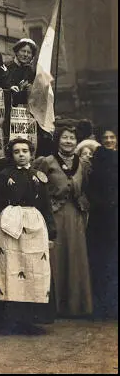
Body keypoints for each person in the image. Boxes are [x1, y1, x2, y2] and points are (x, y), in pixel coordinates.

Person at [0, 138, 56, 335]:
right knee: (11, 268)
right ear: (11, 155)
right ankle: (10, 320)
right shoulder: (3, 176)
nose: (21, 154)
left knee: (33, 268)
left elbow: (46, 205)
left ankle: (30, 319)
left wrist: (51, 233)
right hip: (10, 224)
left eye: (25, 151)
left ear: (31, 153)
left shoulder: (39, 176)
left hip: (34, 224)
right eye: (17, 151)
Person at [33, 125, 93, 318]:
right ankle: (54, 306)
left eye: (72, 138)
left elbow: (87, 188)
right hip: (54, 215)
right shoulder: (47, 162)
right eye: (65, 138)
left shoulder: (83, 164)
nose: (68, 141)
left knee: (75, 257)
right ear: (58, 140)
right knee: (55, 258)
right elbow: (37, 186)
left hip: (75, 215)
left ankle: (75, 306)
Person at [86, 128, 118, 320]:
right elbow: (90, 189)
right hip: (101, 219)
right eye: (105, 137)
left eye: (112, 137)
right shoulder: (96, 163)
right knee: (101, 261)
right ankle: (103, 307)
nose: (108, 140)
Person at [4, 38, 37, 106]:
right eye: (23, 51)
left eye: (29, 52)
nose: (25, 55)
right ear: (16, 52)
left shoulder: (31, 71)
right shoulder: (6, 66)